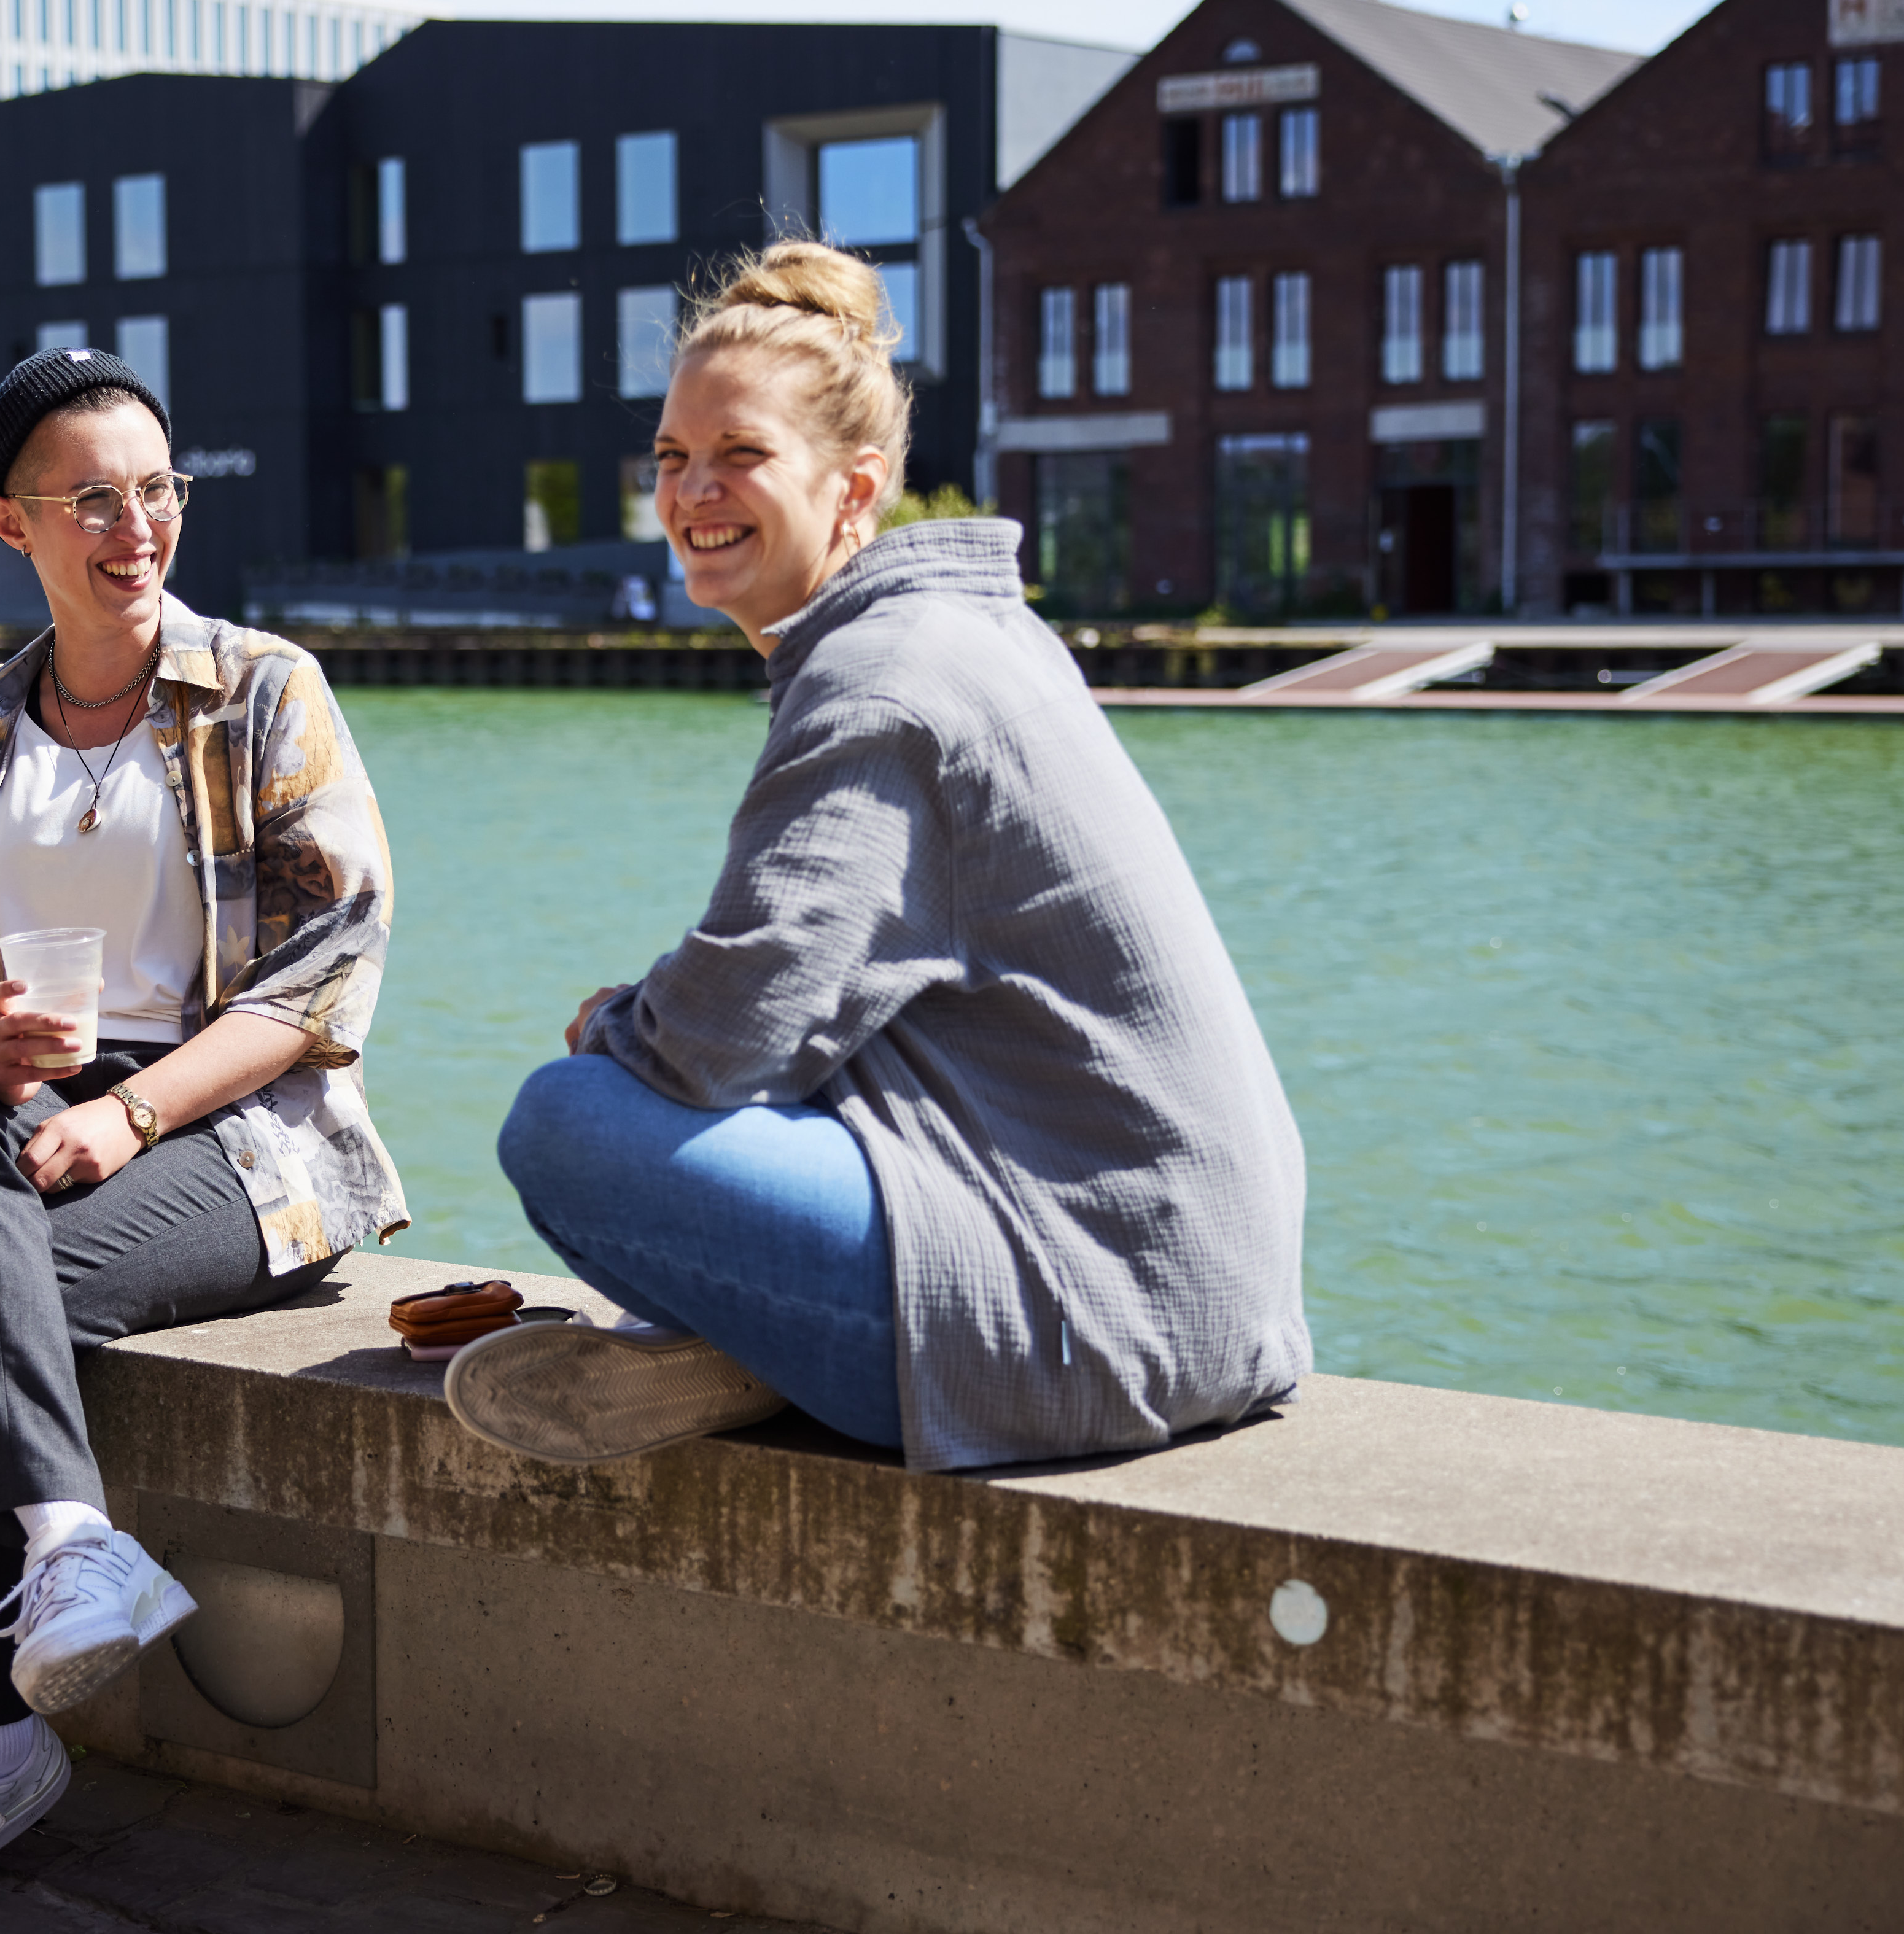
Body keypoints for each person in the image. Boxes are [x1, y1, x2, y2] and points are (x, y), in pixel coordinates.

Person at [446, 243, 1310, 1475]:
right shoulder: (971, 636)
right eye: (672, 459)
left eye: (740, 456)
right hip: (1197, 1283)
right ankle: (749, 1359)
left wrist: (615, 1030)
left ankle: (767, 1355)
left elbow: (723, 1038)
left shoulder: (880, 681)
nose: (692, 493)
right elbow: (804, 1000)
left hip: (1104, 1313)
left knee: (568, 1125)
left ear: (855, 491)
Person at [0, 347, 405, 1923]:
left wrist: (131, 1111)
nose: (134, 528)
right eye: (91, 501)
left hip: (238, 1123)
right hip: (24, 1096)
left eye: (157, 491)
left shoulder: (265, 689)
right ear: (13, 525)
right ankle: (75, 1545)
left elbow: (332, 970)